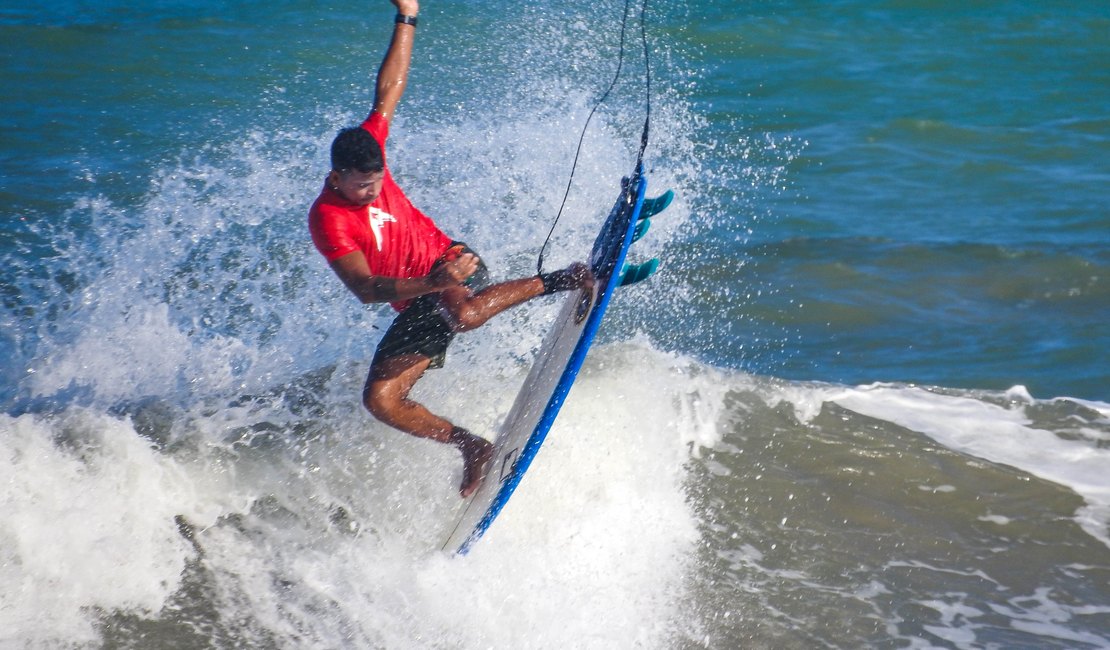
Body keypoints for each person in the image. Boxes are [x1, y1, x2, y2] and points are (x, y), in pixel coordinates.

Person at [308, 0, 593, 498]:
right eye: (362, 188)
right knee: (381, 399)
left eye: (378, 182)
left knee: (465, 315)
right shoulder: (328, 219)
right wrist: (430, 286)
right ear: (336, 176)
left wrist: (408, 15)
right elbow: (366, 288)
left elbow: (389, 90)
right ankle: (470, 445)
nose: (373, 192)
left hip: (449, 259)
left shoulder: (369, 148)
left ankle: (561, 278)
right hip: (420, 289)